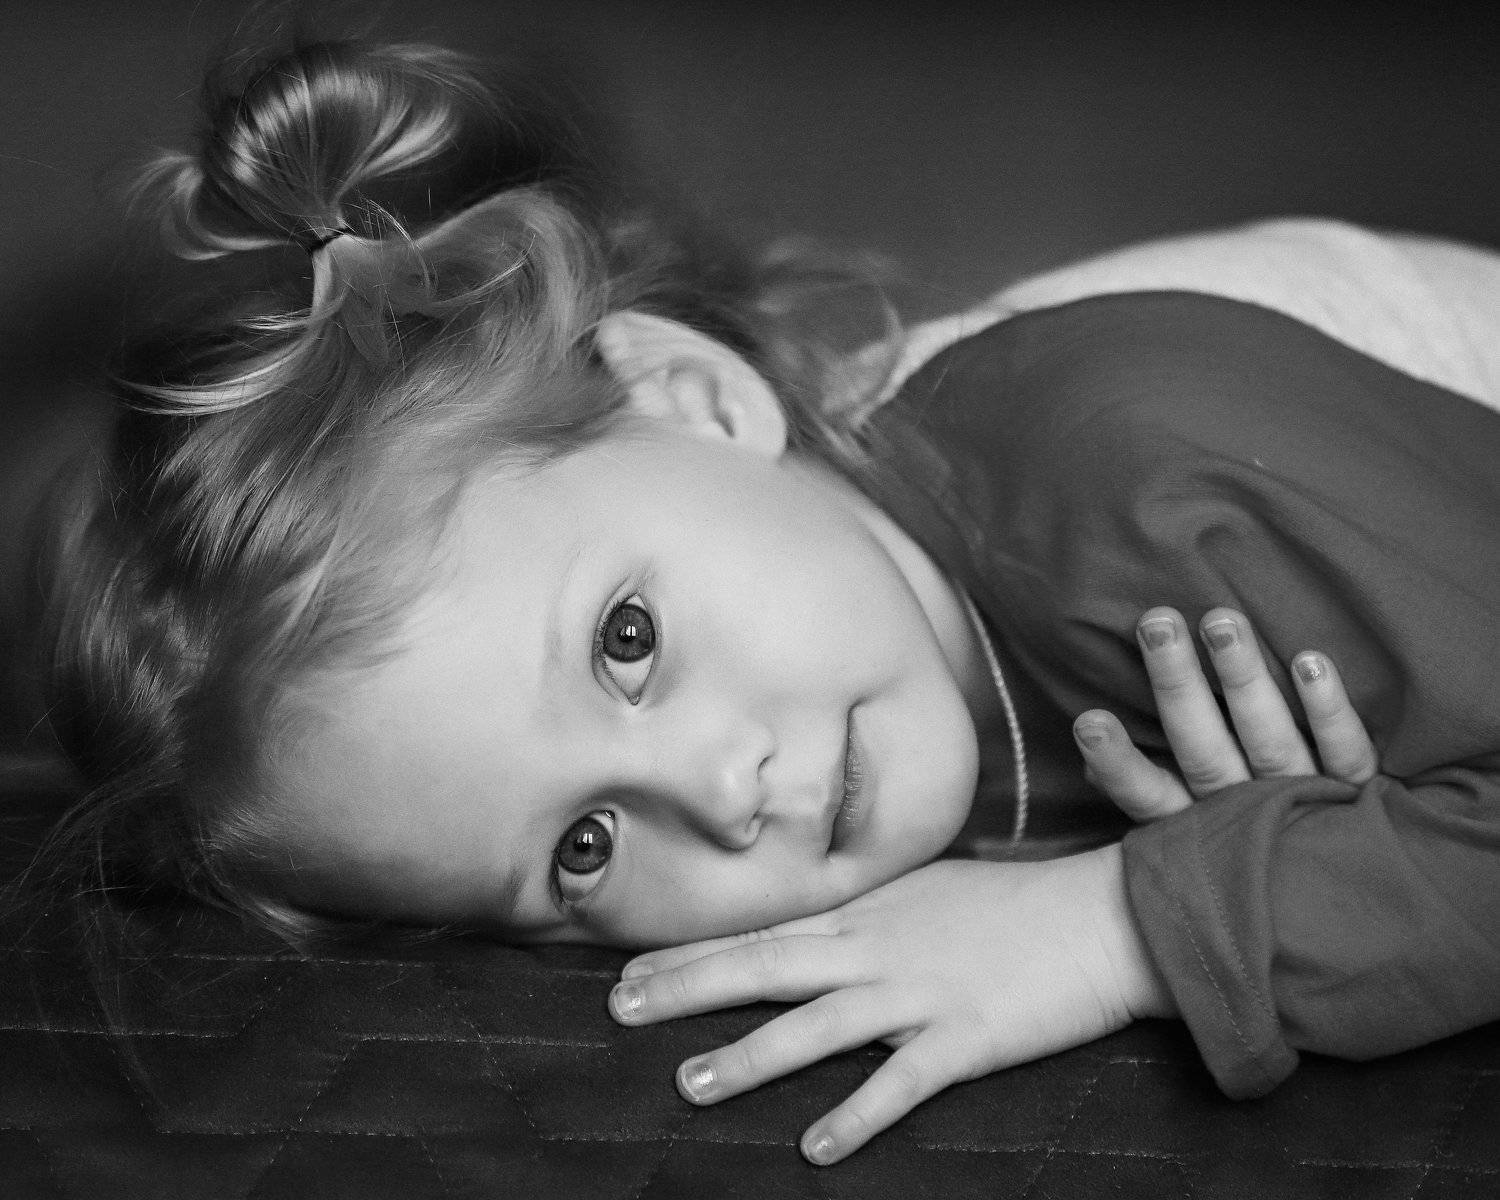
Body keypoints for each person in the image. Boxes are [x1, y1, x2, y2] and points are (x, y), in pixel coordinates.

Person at [33, 37, 1500, 1169]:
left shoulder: (1148, 474)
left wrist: (1121, 926)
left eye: (627, 643)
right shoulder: (852, 635)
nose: (721, 795)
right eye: (584, 847)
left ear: (697, 397)